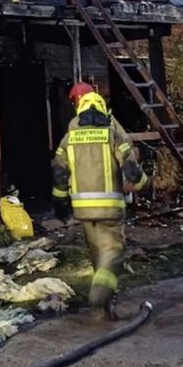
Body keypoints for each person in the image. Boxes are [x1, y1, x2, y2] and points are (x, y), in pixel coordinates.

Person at [51, 90, 147, 321]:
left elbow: (59, 173)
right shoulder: (112, 135)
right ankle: (99, 296)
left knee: (97, 255)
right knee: (113, 255)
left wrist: (60, 203)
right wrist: (144, 183)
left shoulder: (68, 139)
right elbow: (132, 172)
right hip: (111, 211)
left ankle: (101, 311)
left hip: (84, 212)